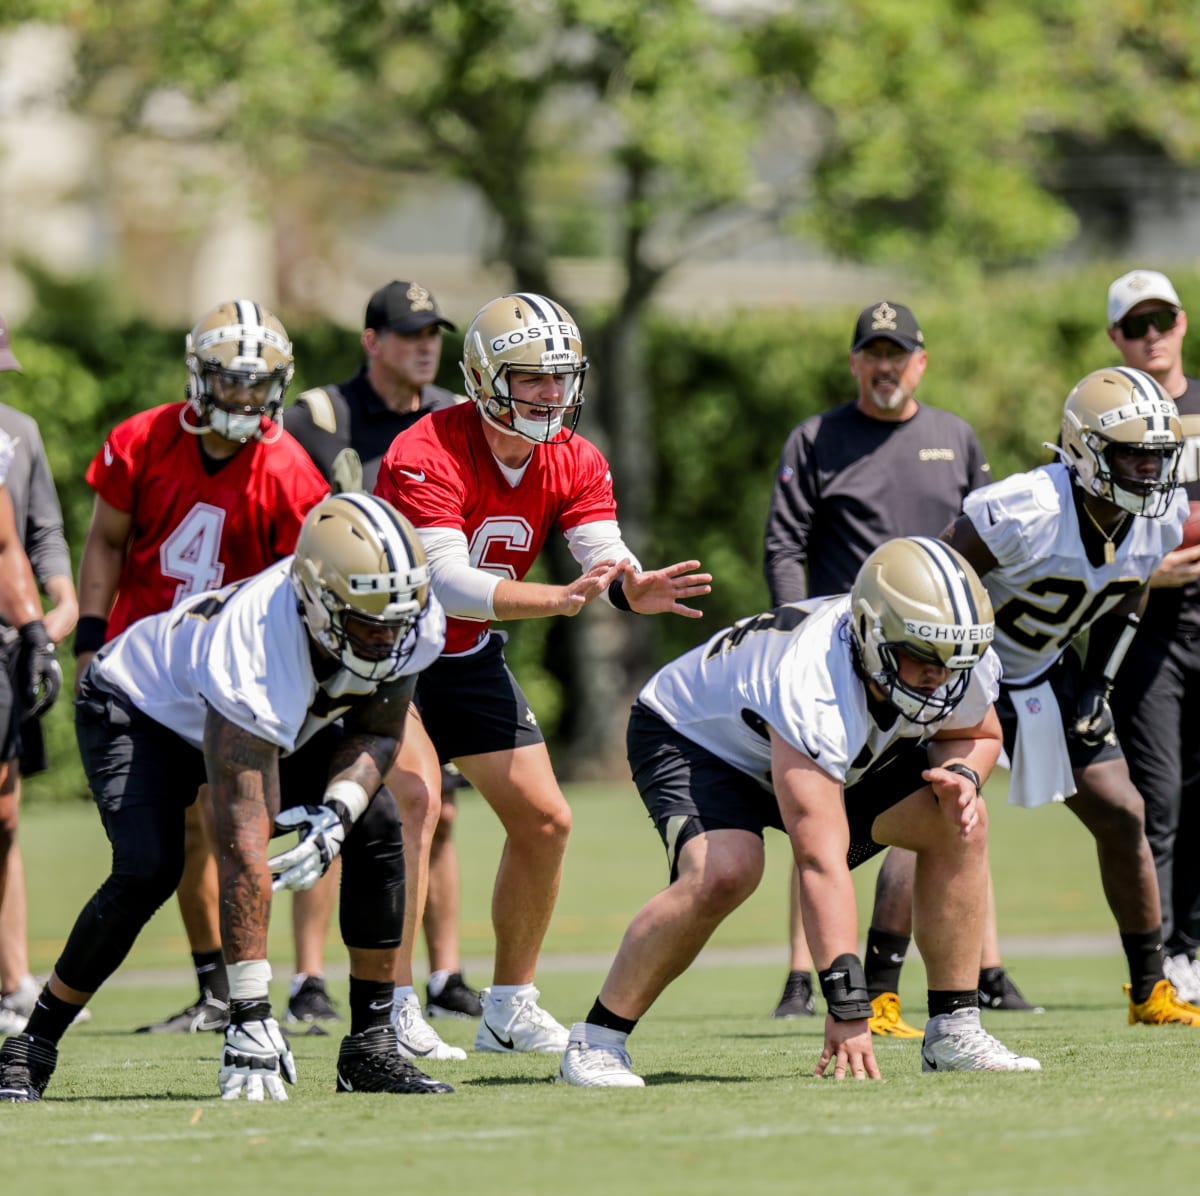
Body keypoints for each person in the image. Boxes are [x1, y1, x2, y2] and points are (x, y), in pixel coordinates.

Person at [0, 493, 457, 1102]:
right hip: (139, 709)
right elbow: (243, 840)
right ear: (317, 600)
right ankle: (31, 1046)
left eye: (397, 619)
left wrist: (338, 809)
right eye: (369, 622)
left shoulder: (406, 616)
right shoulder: (256, 644)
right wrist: (249, 1012)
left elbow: (377, 729)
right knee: (149, 869)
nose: (388, 638)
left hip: (259, 714)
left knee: (372, 820)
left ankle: (370, 1047)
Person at [559, 536, 1041, 1086]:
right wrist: (848, 1007)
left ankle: (955, 1027)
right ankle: (596, 1039)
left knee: (957, 819)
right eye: (922, 659)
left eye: (952, 662)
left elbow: (977, 732)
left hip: (809, 747)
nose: (940, 677)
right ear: (873, 636)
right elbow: (819, 861)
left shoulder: (953, 656)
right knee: (725, 871)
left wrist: (962, 775)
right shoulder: (813, 682)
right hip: (698, 739)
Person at [375, 291, 712, 1057]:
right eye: (532, 377)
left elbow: (603, 552)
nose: (552, 393)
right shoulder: (423, 450)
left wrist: (631, 585)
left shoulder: (575, 456)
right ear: (485, 378)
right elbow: (446, 581)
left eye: (561, 376)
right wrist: (553, 600)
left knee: (547, 820)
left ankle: (508, 1003)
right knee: (415, 803)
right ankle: (388, 1004)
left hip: (464, 657)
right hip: (391, 657)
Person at [762, 299, 1034, 1030]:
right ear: (855, 362)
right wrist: (791, 627)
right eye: (873, 352)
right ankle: (803, 970)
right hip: (842, 663)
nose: (886, 365)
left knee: (954, 800)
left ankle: (984, 968)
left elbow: (986, 540)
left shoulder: (954, 436)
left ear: (921, 361)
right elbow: (785, 544)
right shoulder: (817, 437)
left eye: (899, 353)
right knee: (817, 809)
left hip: (938, 660)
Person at [72, 299, 329, 1035]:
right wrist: (91, 632)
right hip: (146, 667)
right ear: (199, 376)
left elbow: (302, 588)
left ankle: (256, 985)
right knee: (180, 835)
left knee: (237, 823)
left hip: (231, 671)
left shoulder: (285, 468)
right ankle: (216, 987)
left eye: (260, 383)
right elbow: (106, 541)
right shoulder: (143, 439)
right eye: (230, 380)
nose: (245, 397)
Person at [943, 364, 1200, 1026]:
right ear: (1087, 449)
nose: (1150, 472)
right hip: (969, 665)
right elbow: (942, 576)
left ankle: (1150, 990)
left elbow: (1132, 585)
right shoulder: (1027, 507)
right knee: (940, 815)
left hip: (1043, 668)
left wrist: (1097, 680)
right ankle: (883, 992)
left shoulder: (1160, 515)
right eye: (1133, 456)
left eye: (1157, 458)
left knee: (1122, 810)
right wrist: (939, 680)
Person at [287, 280, 482, 1041]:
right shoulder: (320, 418)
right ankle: (307, 978)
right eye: (407, 333)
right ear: (372, 341)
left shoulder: (448, 419)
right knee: (339, 800)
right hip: (345, 639)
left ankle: (447, 975)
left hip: (428, 635)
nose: (424, 345)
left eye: (432, 332)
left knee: (442, 807)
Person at [1102, 273, 1200, 1004]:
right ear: (1117, 339)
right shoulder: (1105, 414)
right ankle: (1158, 957)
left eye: (1161, 319)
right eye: (1137, 325)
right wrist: (1143, 571)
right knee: (1156, 799)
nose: (1152, 334)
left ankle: (1192, 946)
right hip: (1143, 630)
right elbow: (1081, 529)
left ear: (1182, 322)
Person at [0, 318, 79, 1037]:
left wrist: (60, 601)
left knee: (5, 817)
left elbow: (37, 531)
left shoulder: (17, 429)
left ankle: (13, 979)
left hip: (8, 646)